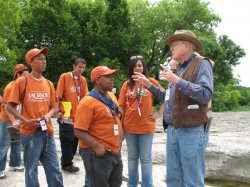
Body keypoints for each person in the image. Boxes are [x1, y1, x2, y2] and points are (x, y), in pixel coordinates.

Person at [132, 30, 213, 187]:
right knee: (173, 179)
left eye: (174, 45)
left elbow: (206, 94)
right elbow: (168, 98)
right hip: (173, 130)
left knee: (192, 180)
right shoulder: (179, 69)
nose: (171, 49)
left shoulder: (202, 64)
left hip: (192, 131)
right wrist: (148, 85)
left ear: (186, 45)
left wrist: (177, 81)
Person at [6, 47, 64, 187]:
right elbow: (9, 107)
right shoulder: (22, 82)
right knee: (31, 170)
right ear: (31, 62)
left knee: (54, 169)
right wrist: (26, 121)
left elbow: (54, 106)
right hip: (30, 133)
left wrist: (48, 116)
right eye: (40, 59)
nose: (44, 61)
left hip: (47, 132)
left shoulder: (49, 83)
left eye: (44, 59)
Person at [118, 55, 164, 187]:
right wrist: (120, 128)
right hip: (129, 127)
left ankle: (147, 185)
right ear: (131, 68)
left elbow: (167, 97)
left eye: (139, 65)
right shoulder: (127, 84)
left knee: (145, 158)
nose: (137, 68)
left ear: (143, 67)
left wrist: (159, 114)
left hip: (146, 127)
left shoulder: (151, 82)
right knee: (132, 158)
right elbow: (121, 107)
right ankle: (132, 184)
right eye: (134, 66)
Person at [74, 66, 123, 187]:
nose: (112, 79)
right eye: (108, 76)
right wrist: (97, 146)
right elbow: (78, 131)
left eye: (112, 76)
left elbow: (116, 116)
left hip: (115, 150)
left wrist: (120, 137)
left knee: (116, 183)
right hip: (98, 152)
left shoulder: (111, 95)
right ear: (97, 80)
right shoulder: (88, 102)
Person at [55, 58, 89, 173]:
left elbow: (85, 97)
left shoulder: (83, 80)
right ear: (74, 66)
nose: (81, 70)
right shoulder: (64, 77)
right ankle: (66, 164)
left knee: (75, 140)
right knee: (67, 140)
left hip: (78, 116)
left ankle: (68, 161)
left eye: (83, 68)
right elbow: (58, 96)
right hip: (66, 115)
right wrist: (57, 111)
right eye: (79, 67)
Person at [0, 64, 28, 179]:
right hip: (8, 120)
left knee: (16, 142)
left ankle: (15, 164)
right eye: (25, 75)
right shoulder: (10, 87)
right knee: (4, 145)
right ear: (18, 74)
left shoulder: (23, 86)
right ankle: (0, 169)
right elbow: (7, 106)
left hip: (17, 120)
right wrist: (13, 121)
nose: (27, 77)